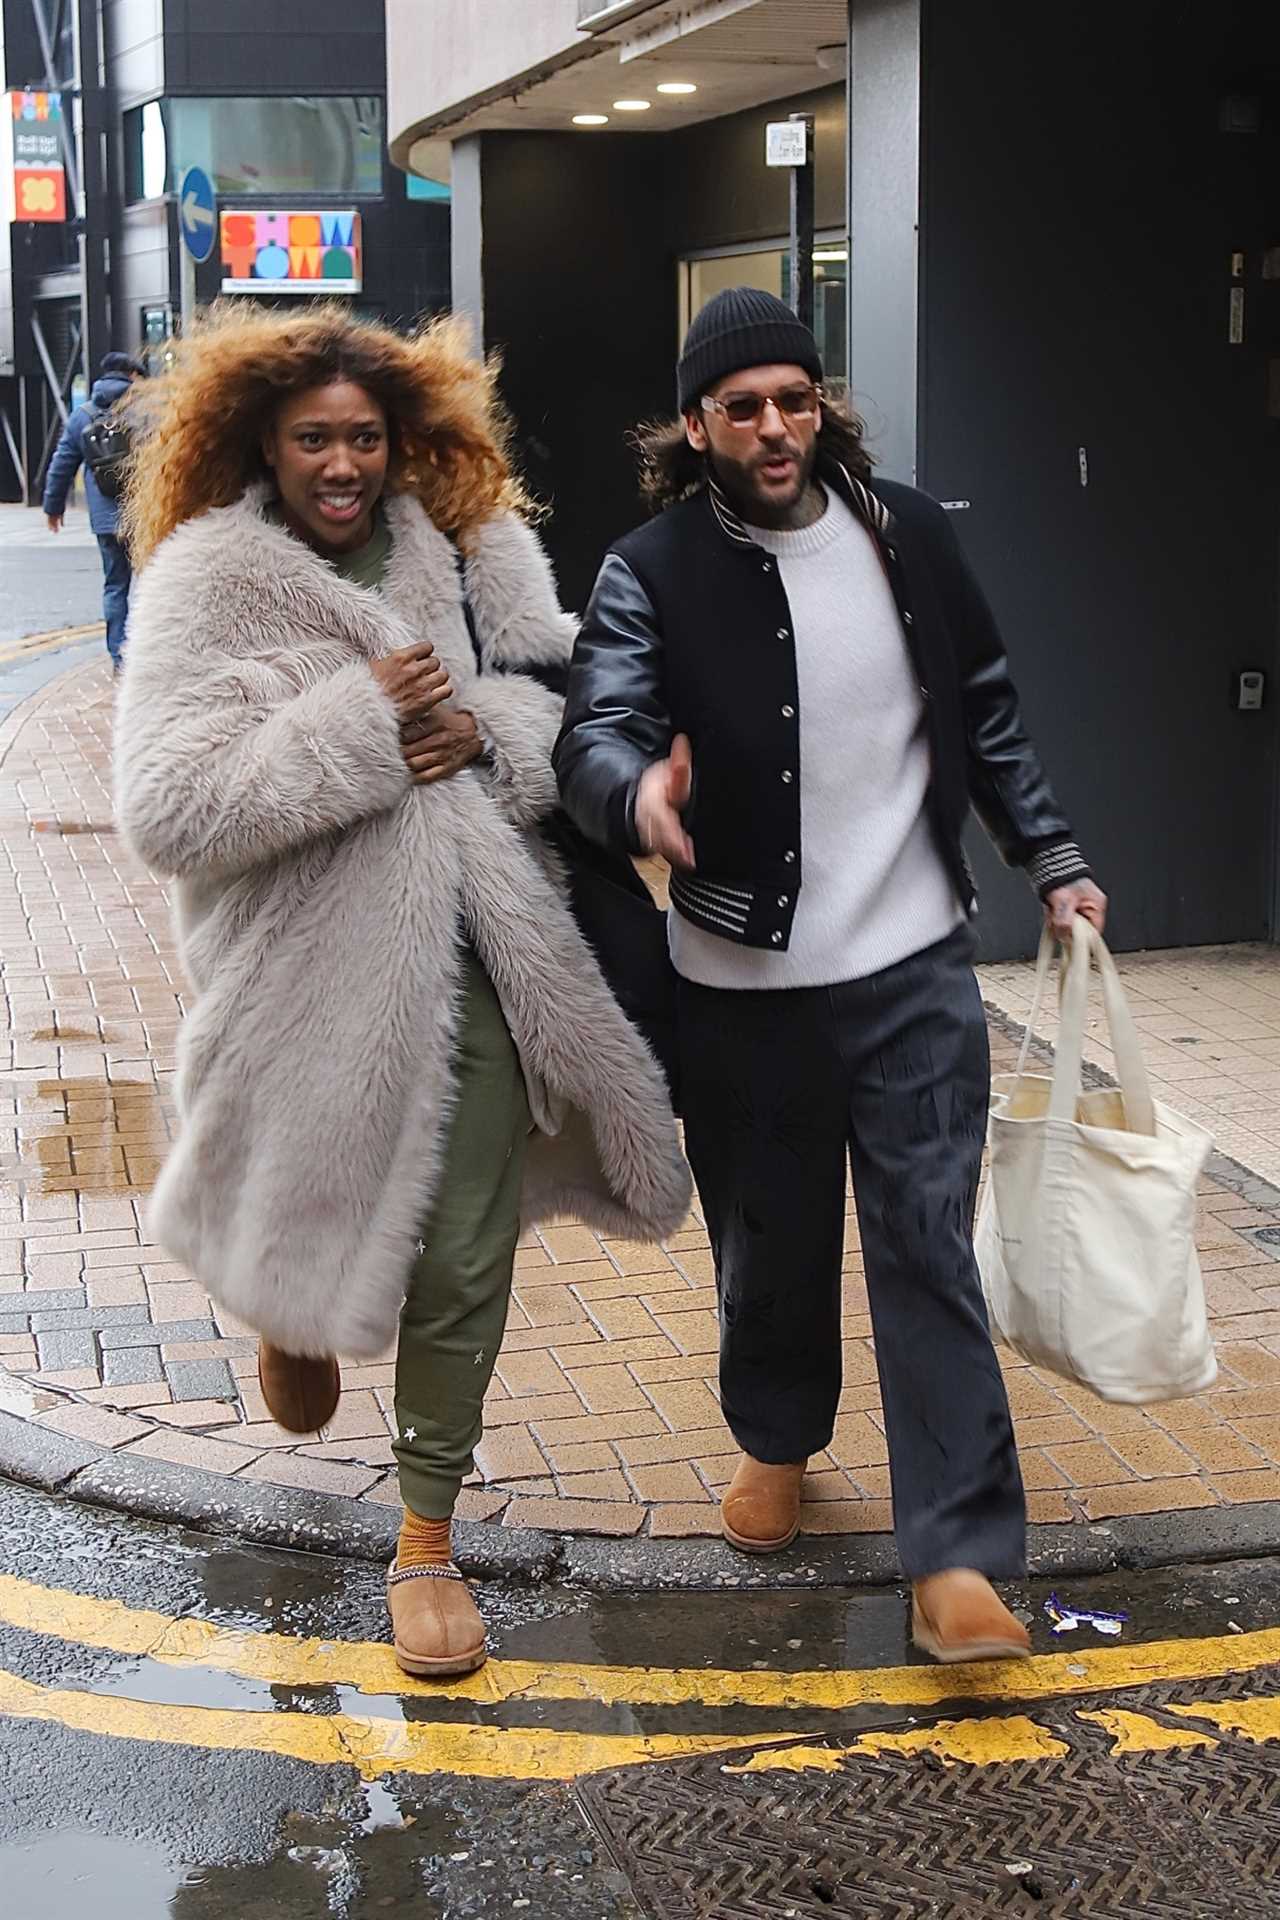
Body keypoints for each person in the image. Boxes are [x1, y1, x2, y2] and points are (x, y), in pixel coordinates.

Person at [113, 304, 690, 1678]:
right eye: (313, 436)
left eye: (364, 436)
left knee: (462, 1252)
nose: (343, 463)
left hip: (482, 953)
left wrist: (480, 731)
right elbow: (167, 810)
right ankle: (291, 1315)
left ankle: (424, 1538)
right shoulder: (206, 580)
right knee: (303, 1202)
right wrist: (364, 724)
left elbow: (564, 714)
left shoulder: (480, 560)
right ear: (260, 438)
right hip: (289, 979)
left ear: (401, 439)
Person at [555, 287, 1107, 1664]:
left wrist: (1053, 856)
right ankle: (779, 1438)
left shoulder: (911, 536)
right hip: (742, 981)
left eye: (793, 397)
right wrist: (638, 800)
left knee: (927, 1248)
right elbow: (598, 726)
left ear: (823, 404)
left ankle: (962, 1561)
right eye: (739, 406)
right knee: (774, 1247)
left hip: (917, 966)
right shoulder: (651, 568)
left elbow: (983, 705)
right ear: (696, 426)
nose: (772, 424)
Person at [43, 351, 144, 672]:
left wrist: (53, 507)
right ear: (131, 374)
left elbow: (62, 464)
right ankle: (152, 651)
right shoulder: (145, 411)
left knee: (115, 585)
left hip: (105, 518)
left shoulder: (82, 415)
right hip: (144, 512)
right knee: (157, 582)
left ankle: (119, 655)